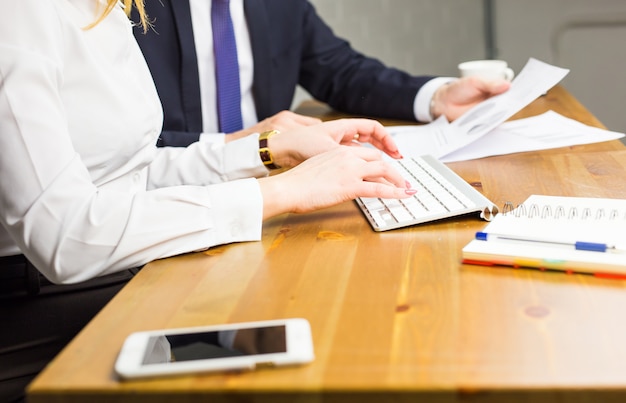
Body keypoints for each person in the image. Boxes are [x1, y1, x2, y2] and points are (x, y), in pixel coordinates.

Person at [0, 1, 416, 401]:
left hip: (118, 270)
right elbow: (66, 237)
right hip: (40, 307)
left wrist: (267, 152)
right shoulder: (19, 14)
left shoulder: (108, 8)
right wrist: (280, 192)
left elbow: (130, 170)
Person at [133, 0, 511, 147]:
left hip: (272, 183)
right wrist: (233, 146)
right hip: (172, 198)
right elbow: (115, 149)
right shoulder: (124, 12)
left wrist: (435, 97)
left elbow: (342, 71)